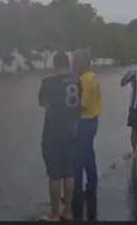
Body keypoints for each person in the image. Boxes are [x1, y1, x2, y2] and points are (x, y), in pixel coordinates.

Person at [38, 52, 83, 221]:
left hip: (53, 131)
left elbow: (43, 102)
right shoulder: (77, 80)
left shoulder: (48, 81)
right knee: (69, 172)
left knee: (55, 174)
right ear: (68, 64)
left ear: (55, 64)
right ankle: (68, 211)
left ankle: (55, 214)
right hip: (72, 129)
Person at [71, 49, 102, 221]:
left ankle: (76, 193)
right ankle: (91, 187)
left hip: (83, 122)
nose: (73, 64)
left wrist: (69, 119)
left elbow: (81, 105)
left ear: (83, 63)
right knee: (89, 154)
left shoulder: (83, 80)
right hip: (93, 120)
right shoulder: (94, 76)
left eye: (75, 61)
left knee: (78, 158)